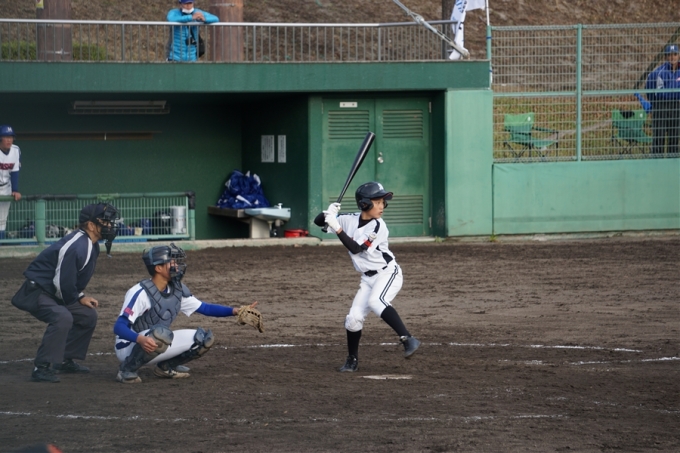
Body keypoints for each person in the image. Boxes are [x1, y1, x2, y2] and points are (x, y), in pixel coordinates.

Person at [314, 181, 420, 372]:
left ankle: (408, 339)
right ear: (364, 204)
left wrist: (337, 228)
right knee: (353, 319)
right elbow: (318, 222)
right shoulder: (349, 219)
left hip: (388, 273)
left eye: (382, 202)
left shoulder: (378, 226)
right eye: (377, 202)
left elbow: (356, 249)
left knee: (376, 301)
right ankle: (352, 360)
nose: (382, 206)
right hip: (367, 278)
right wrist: (327, 213)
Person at [113, 243, 257, 383]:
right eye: (171, 262)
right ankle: (127, 370)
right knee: (161, 334)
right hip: (128, 346)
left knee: (203, 339)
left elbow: (205, 308)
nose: (177, 265)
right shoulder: (140, 293)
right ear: (158, 268)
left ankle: (165, 367)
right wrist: (140, 339)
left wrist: (235, 311)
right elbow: (119, 327)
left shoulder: (176, 290)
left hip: (154, 339)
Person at [16, 202, 120, 383]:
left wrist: (79, 297)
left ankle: (64, 360)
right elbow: (61, 282)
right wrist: (75, 298)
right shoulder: (77, 246)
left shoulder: (91, 244)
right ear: (91, 225)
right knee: (62, 317)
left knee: (87, 315)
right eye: (105, 222)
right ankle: (41, 367)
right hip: (36, 291)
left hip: (53, 291)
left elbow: (69, 280)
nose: (110, 226)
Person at [645, 44, 680, 155]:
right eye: (669, 55)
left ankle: (672, 161)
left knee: (674, 137)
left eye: (675, 54)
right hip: (661, 106)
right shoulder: (658, 72)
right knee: (659, 137)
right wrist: (655, 104)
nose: (672, 57)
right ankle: (656, 161)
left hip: (676, 106)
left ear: (679, 56)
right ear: (665, 56)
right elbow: (650, 88)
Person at [0, 125, 21, 239]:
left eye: (11, 137)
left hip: (6, 187)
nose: (9, 140)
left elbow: (15, 171)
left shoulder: (16, 150)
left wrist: (15, 190)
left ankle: (1, 245)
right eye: (6, 137)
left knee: (2, 220)